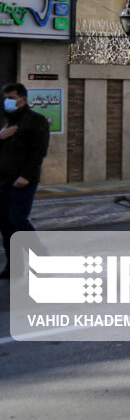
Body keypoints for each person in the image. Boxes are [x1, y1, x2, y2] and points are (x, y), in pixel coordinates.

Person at [0, 83, 50, 279]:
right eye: (6, 98)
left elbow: (39, 152)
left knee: (18, 220)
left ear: (23, 99)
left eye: (11, 97)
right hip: (3, 181)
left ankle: (41, 258)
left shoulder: (36, 121)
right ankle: (14, 267)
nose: (8, 102)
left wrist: (27, 176)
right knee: (5, 224)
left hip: (23, 181)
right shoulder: (6, 123)